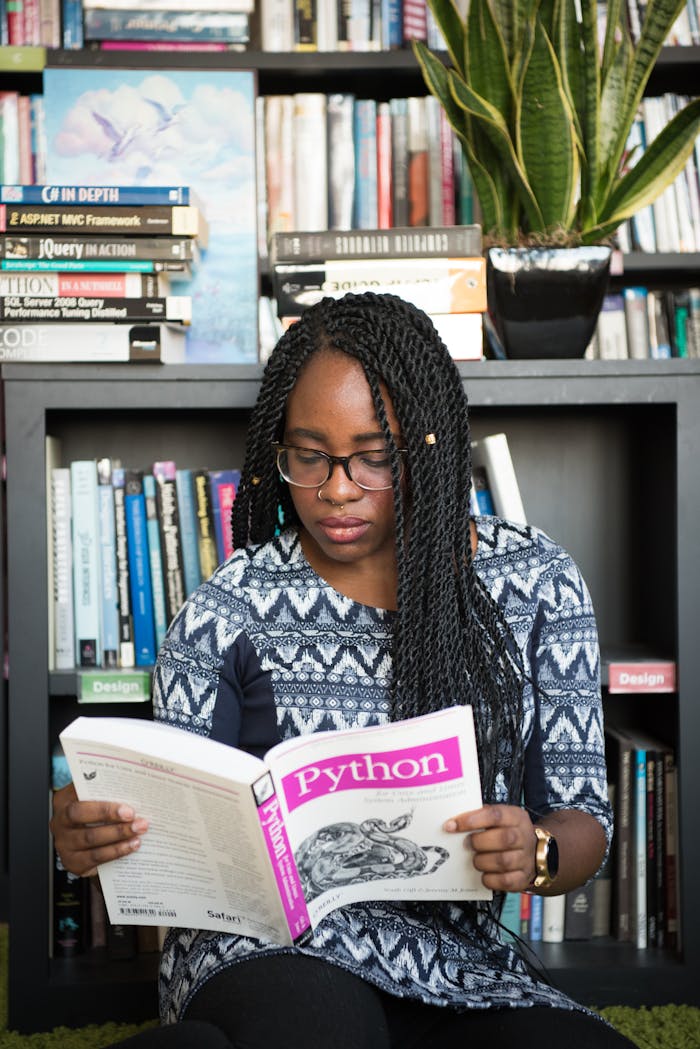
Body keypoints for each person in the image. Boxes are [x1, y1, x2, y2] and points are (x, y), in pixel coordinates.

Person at [51, 291, 633, 1048]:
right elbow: (171, 829)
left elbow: (584, 818)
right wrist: (92, 833)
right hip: (264, 953)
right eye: (308, 455)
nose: (335, 488)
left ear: (426, 445)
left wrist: (539, 851)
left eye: (373, 455)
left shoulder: (539, 583)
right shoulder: (232, 605)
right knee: (323, 1028)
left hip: (458, 963)